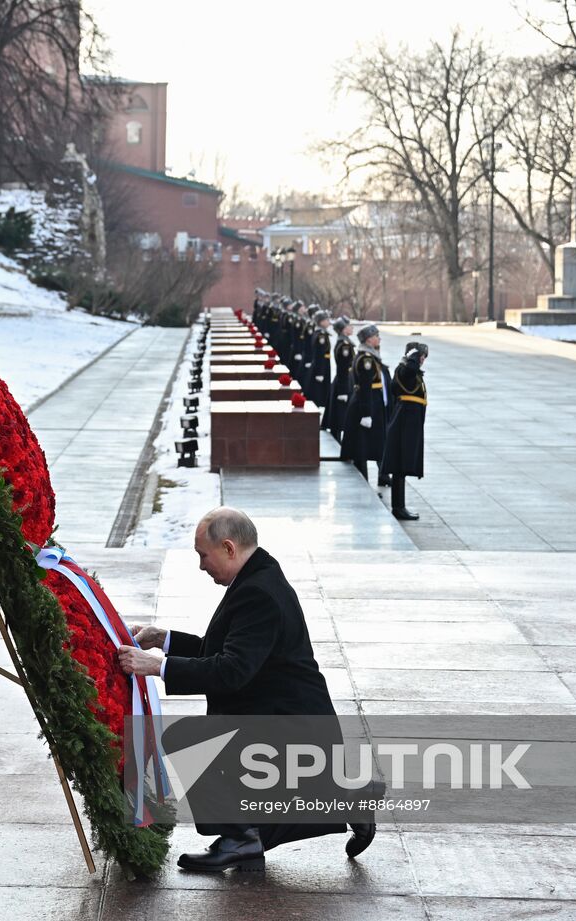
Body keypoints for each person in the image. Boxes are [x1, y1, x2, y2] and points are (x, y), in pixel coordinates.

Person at [118, 508, 375, 872]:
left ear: (228, 547)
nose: (202, 566)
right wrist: (164, 640)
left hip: (291, 728)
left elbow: (231, 670)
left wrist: (157, 666)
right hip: (278, 717)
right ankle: (342, 801)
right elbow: (227, 651)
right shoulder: (257, 577)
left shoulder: (259, 593)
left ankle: (243, 836)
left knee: (191, 740)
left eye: (203, 555)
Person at [381, 342, 428, 520]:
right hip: (405, 422)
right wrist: (414, 356)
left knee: (400, 466)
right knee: (400, 465)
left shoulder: (405, 370)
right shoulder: (406, 370)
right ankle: (398, 507)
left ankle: (399, 506)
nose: (422, 361)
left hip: (407, 421)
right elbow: (410, 369)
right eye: (421, 357)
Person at [342, 324, 390, 488]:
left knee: (378, 442)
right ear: (369, 340)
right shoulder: (366, 360)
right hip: (368, 406)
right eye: (376, 336)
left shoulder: (371, 356)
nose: (379, 339)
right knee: (362, 446)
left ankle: (383, 475)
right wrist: (366, 414)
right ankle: (362, 481)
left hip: (375, 404)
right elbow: (364, 387)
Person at [329, 316, 355, 445]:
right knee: (340, 416)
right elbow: (343, 368)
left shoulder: (346, 343)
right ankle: (337, 443)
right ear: (344, 330)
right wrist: (343, 391)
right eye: (349, 326)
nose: (351, 328)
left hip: (344, 381)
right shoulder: (344, 345)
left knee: (341, 415)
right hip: (343, 382)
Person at [308, 310, 334, 430]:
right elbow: (319, 354)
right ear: (321, 322)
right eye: (326, 320)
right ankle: (314, 418)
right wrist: (320, 372)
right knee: (317, 393)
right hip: (321, 366)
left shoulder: (322, 333)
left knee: (320, 392)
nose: (328, 322)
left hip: (323, 365)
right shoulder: (321, 335)